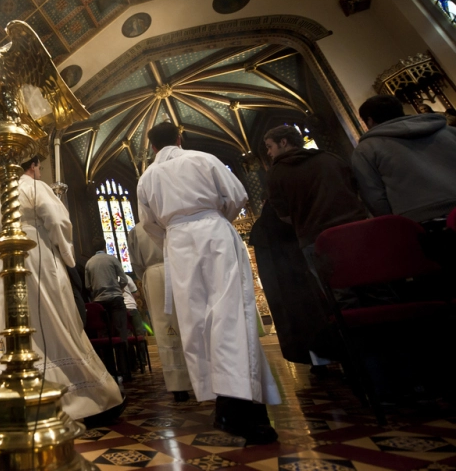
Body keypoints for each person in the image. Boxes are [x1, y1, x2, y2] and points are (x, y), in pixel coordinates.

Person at [137, 122, 280, 444]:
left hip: (177, 244)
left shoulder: (147, 177)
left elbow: (149, 223)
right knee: (231, 314)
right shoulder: (203, 159)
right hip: (215, 235)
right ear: (179, 138)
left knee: (196, 322)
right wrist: (214, 220)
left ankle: (227, 400)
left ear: (152, 147)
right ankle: (237, 405)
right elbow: (237, 197)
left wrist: (176, 231)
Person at [0, 156, 123, 420]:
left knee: (17, 319)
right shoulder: (35, 186)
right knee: (54, 316)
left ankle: (15, 395)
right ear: (33, 165)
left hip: (10, 259)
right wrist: (68, 255)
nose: (40, 171)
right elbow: (58, 221)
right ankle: (75, 394)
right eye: (39, 166)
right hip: (38, 254)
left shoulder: (5, 193)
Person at [264, 125, 368, 275]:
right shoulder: (330, 158)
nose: (268, 152)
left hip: (317, 240)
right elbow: (355, 189)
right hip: (357, 231)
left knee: (338, 286)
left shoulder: (275, 174)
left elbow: (283, 214)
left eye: (270, 146)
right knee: (374, 280)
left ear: (283, 142)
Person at [249, 200, 339, 369]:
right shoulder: (280, 220)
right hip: (295, 257)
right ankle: (321, 356)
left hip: (289, 261)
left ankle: (319, 357)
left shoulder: (267, 225)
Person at [352, 95, 456, 223]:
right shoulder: (450, 132)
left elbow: (374, 196)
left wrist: (395, 224)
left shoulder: (366, 149)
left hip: (422, 220)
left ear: (369, 120)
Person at [128, 223, 192, 401]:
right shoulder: (171, 221)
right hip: (179, 271)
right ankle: (199, 377)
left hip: (153, 275)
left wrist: (146, 276)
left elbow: (136, 263)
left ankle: (178, 384)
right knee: (186, 324)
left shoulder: (137, 230)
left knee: (166, 329)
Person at [85, 238, 131, 381]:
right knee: (121, 334)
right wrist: (117, 288)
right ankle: (125, 372)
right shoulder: (112, 259)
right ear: (105, 246)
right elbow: (124, 279)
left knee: (105, 337)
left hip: (99, 302)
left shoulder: (89, 263)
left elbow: (88, 286)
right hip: (116, 299)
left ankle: (110, 372)